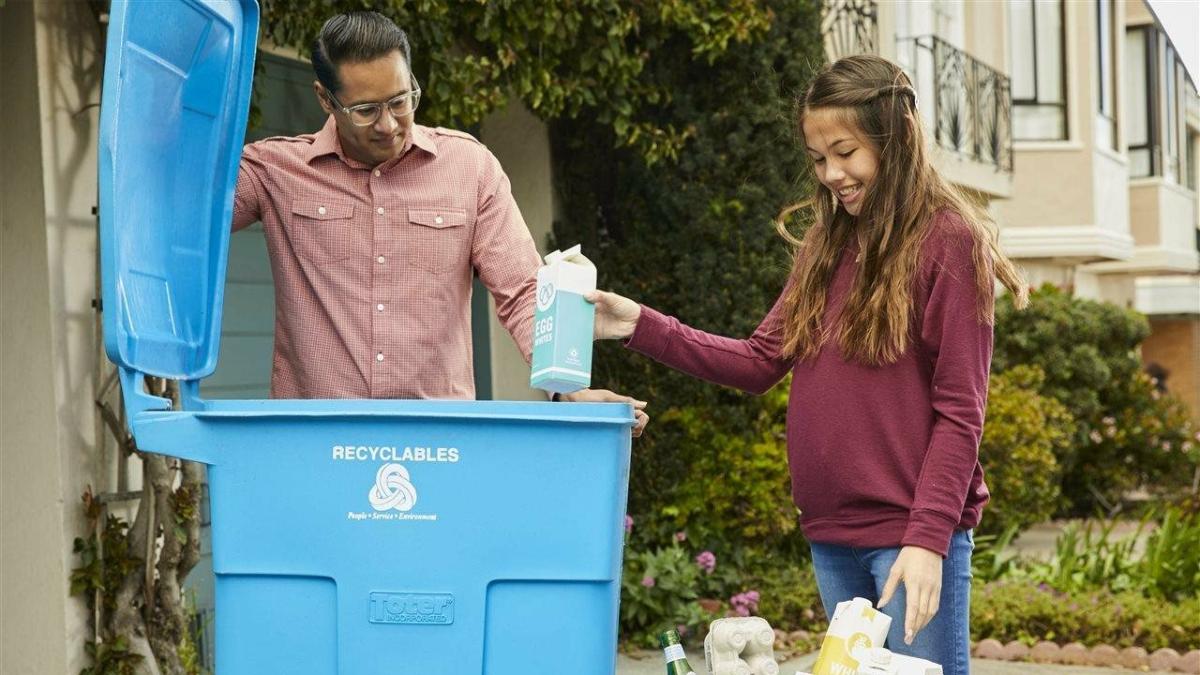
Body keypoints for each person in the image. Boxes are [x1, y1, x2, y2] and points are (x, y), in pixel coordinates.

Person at [587, 55, 1028, 673]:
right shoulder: (829, 245)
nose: (831, 175)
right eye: (819, 159)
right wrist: (638, 324)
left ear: (897, 138)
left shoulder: (948, 241)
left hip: (908, 539)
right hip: (831, 535)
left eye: (845, 152)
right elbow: (760, 360)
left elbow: (961, 412)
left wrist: (929, 540)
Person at [231, 11, 647, 434]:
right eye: (365, 110)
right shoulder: (273, 171)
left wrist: (568, 390)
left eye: (399, 100)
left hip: (438, 441)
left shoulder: (470, 168)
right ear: (325, 99)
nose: (388, 124)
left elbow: (523, 292)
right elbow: (182, 222)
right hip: (312, 437)